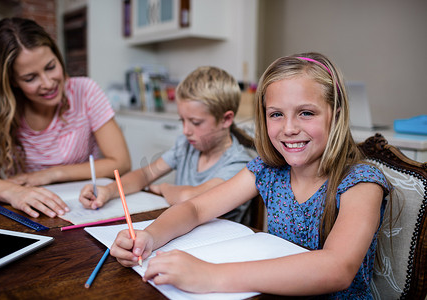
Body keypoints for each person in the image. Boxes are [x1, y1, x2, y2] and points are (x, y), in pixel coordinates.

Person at [109, 52, 392, 298]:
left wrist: (210, 276)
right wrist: (149, 236)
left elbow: (337, 268)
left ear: (336, 114)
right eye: (276, 114)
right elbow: (196, 208)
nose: (289, 128)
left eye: (306, 113)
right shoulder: (268, 169)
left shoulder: (361, 183)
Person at [0, 18, 131, 218]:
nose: (48, 83)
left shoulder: (85, 91)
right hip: (30, 214)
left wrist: (51, 174)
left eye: (50, 67)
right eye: (30, 78)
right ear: (11, 81)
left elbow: (122, 162)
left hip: (83, 208)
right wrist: (14, 192)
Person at [79, 66, 254, 222]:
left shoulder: (238, 164)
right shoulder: (186, 146)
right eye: (182, 120)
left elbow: (189, 197)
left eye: (195, 122)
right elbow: (145, 175)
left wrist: (164, 187)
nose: (186, 130)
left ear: (226, 119)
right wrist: (108, 191)